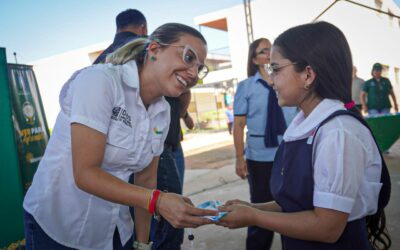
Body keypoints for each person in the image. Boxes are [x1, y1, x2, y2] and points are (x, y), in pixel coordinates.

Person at [23, 23, 217, 250]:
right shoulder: (100, 82)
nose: (193, 73)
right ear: (154, 49)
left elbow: (146, 180)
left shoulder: (162, 113)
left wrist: (142, 243)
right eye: (188, 57)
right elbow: (85, 173)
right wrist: (159, 201)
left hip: (113, 230)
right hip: (58, 227)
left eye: (200, 68)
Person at [218, 21, 391, 250]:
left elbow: (327, 228)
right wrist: (253, 208)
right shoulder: (305, 123)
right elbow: (298, 203)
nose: (271, 80)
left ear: (307, 74)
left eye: (276, 69)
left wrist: (254, 217)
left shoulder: (337, 133)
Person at [233, 37, 290, 250]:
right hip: (259, 157)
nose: (269, 54)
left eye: (271, 49)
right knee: (259, 209)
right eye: (264, 51)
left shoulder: (286, 81)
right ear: (255, 59)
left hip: (287, 154)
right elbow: (238, 125)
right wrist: (239, 158)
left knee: (292, 207)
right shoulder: (246, 87)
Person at [151, 90, 195, 250]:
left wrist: (183, 114)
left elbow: (189, 120)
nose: (193, 74)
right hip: (162, 147)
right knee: (166, 218)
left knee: (168, 203)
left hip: (171, 144)